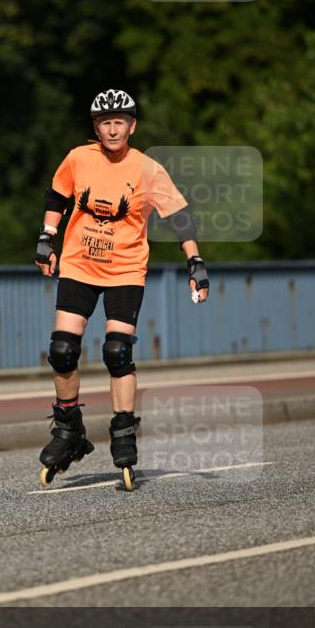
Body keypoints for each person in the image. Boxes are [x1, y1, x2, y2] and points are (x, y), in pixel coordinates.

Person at [35, 88, 209, 488]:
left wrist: (195, 263)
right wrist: (46, 238)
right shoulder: (79, 158)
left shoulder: (148, 169)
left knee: (117, 352)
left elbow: (179, 217)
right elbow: (57, 196)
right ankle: (69, 428)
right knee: (62, 351)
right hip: (79, 265)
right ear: (96, 127)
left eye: (120, 123)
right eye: (105, 123)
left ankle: (124, 432)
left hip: (126, 271)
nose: (112, 130)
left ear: (132, 126)